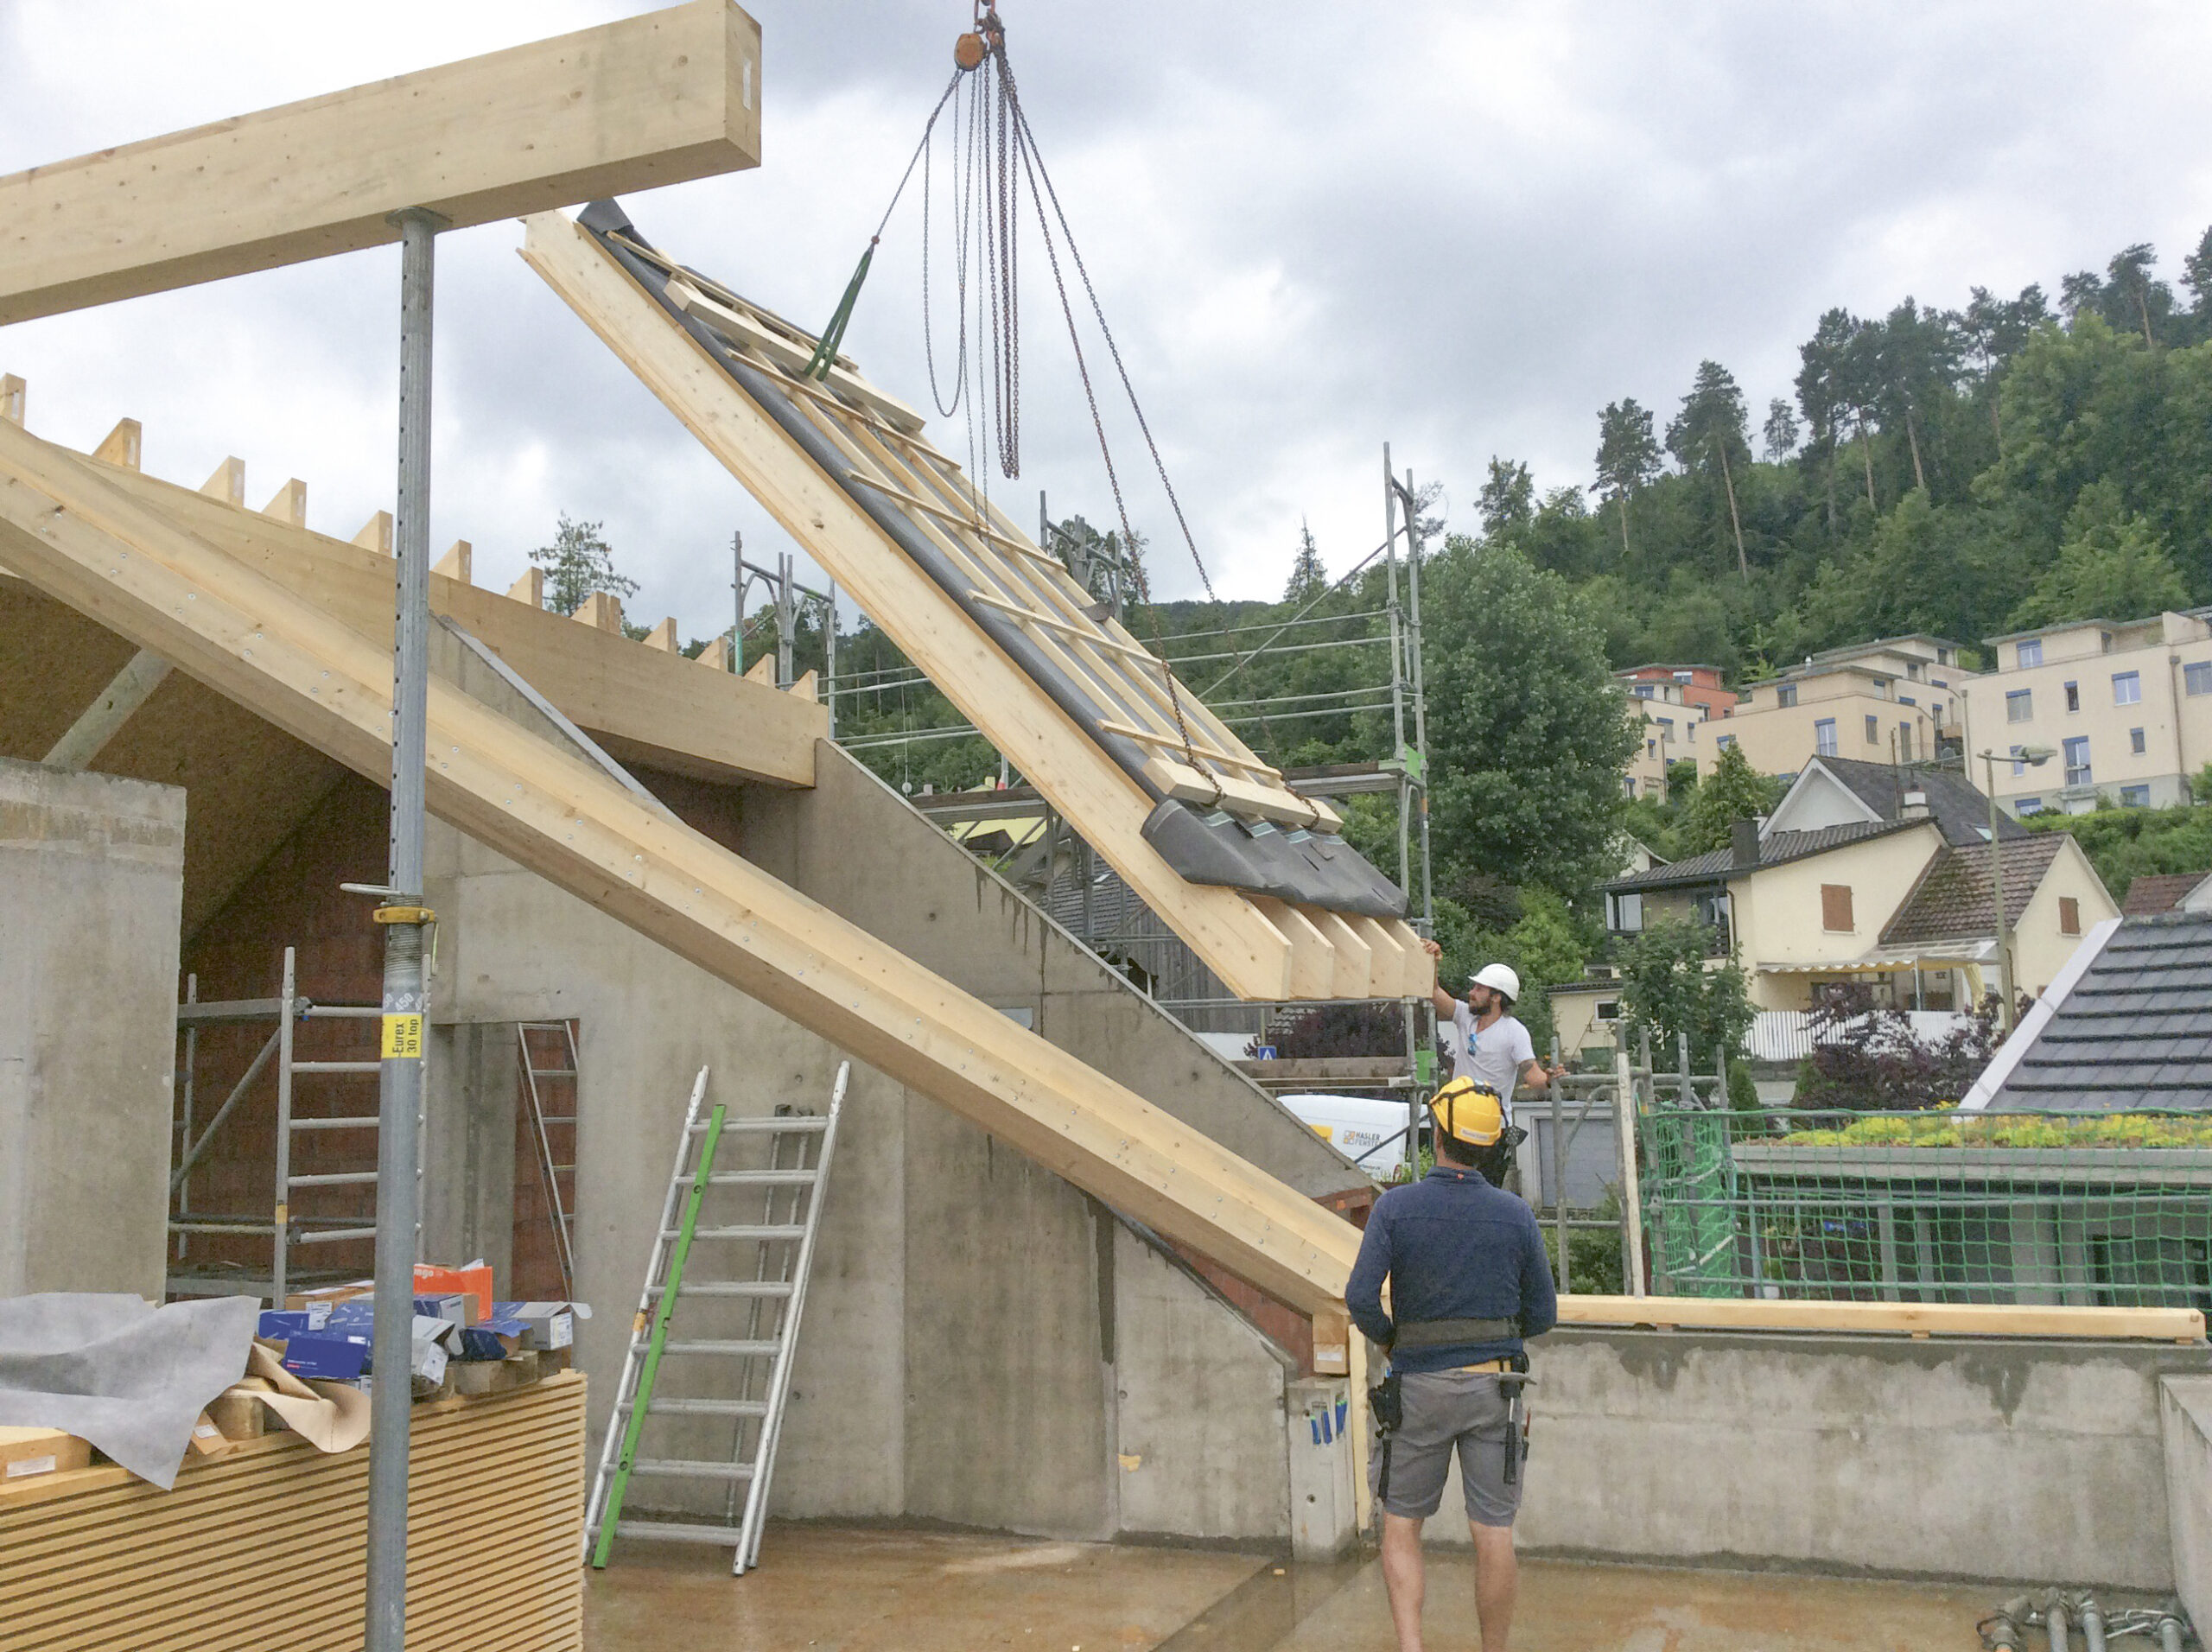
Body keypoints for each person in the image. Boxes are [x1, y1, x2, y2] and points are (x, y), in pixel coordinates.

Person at [1346, 1077, 1557, 1652]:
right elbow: (1543, 1313)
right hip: (1496, 1388)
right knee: (1494, 1534)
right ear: (1489, 1148)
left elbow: (1362, 1298)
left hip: (1417, 1388)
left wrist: (1396, 1346)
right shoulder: (1514, 1214)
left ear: (1438, 1135)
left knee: (1401, 1527)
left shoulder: (1395, 1208)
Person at [1422, 944, 1562, 1118]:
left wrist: (1549, 1079)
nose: (1471, 992)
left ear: (1497, 997)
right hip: (1458, 1116)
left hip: (1491, 1123)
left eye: (1479, 989)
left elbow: (1533, 1076)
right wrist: (1432, 960)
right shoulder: (1465, 1016)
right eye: (1474, 987)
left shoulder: (1514, 1032)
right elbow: (1433, 991)